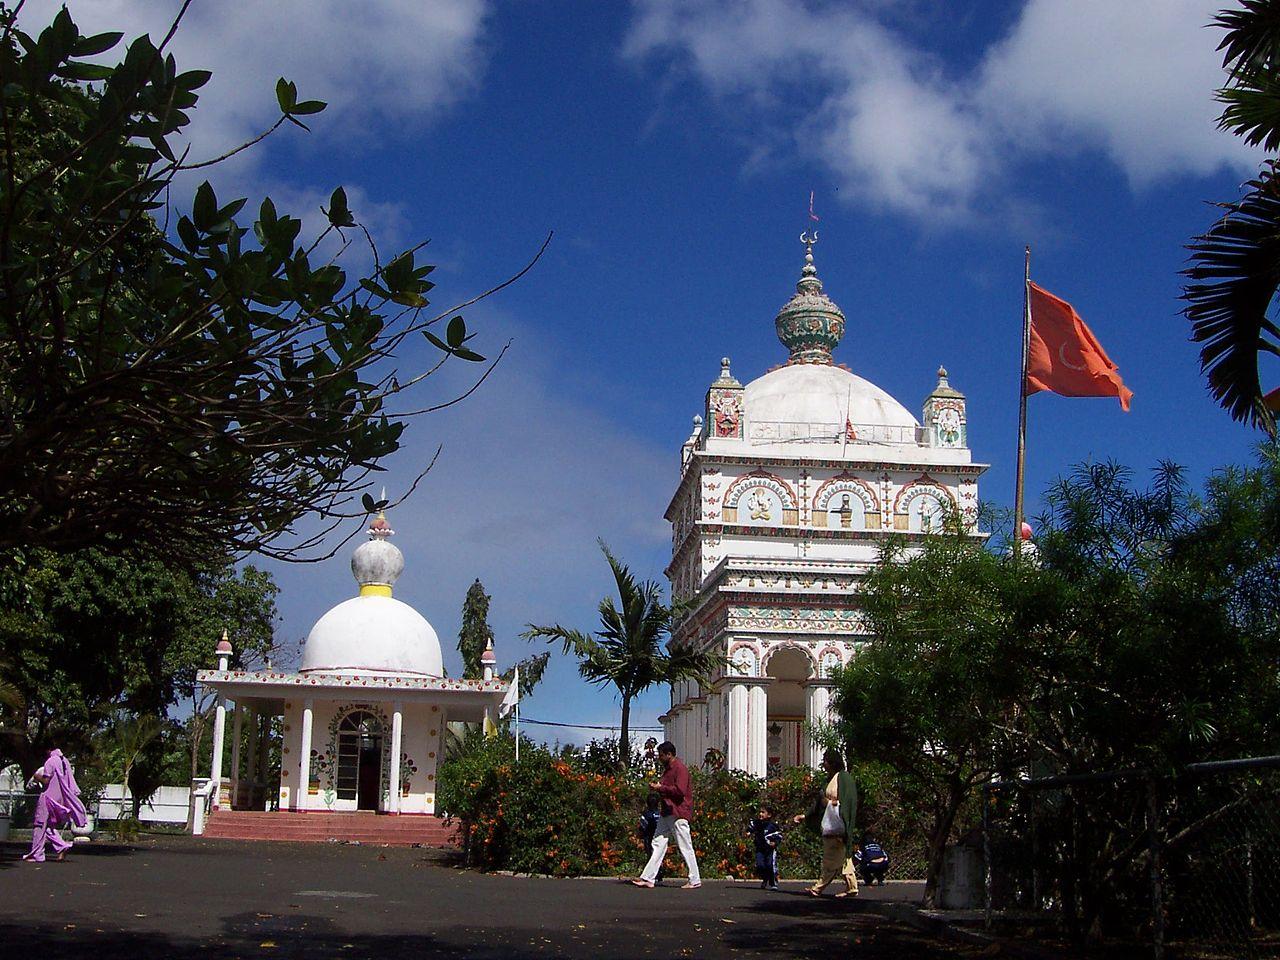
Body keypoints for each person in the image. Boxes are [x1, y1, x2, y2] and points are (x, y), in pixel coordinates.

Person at [632, 741, 701, 889]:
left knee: (685, 845)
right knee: (657, 843)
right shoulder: (668, 770)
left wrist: (660, 788)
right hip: (667, 811)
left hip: (678, 812)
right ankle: (648, 877)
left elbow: (680, 791)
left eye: (661, 755)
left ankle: (694, 879)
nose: (659, 758)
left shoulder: (680, 769)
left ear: (669, 754)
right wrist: (660, 787)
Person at [794, 749, 858, 897]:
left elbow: (848, 802)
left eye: (826, 761)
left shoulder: (844, 779)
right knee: (842, 858)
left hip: (839, 825)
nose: (824, 764)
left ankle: (818, 888)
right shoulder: (829, 779)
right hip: (830, 824)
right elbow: (818, 803)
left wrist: (832, 804)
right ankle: (851, 887)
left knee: (833, 858)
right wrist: (805, 815)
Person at [23, 748, 87, 863]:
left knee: (39, 824)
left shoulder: (51, 761)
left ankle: (37, 854)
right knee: (47, 826)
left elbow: (46, 780)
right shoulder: (65, 761)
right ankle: (62, 846)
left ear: (48, 750)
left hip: (48, 797)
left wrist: (37, 777)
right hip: (60, 797)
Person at [748, 803, 783, 891]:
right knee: (760, 865)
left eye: (763, 812)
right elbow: (751, 828)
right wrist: (749, 832)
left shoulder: (772, 826)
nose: (761, 814)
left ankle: (773, 883)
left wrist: (774, 842)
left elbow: (779, 836)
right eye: (760, 812)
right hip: (760, 848)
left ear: (769, 815)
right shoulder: (757, 823)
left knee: (770, 865)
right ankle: (765, 878)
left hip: (770, 850)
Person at [638, 791, 666, 883]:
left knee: (651, 855)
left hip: (649, 837)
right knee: (658, 854)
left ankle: (652, 874)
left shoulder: (646, 814)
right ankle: (659, 872)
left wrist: (640, 834)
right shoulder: (661, 814)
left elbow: (642, 826)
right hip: (659, 836)